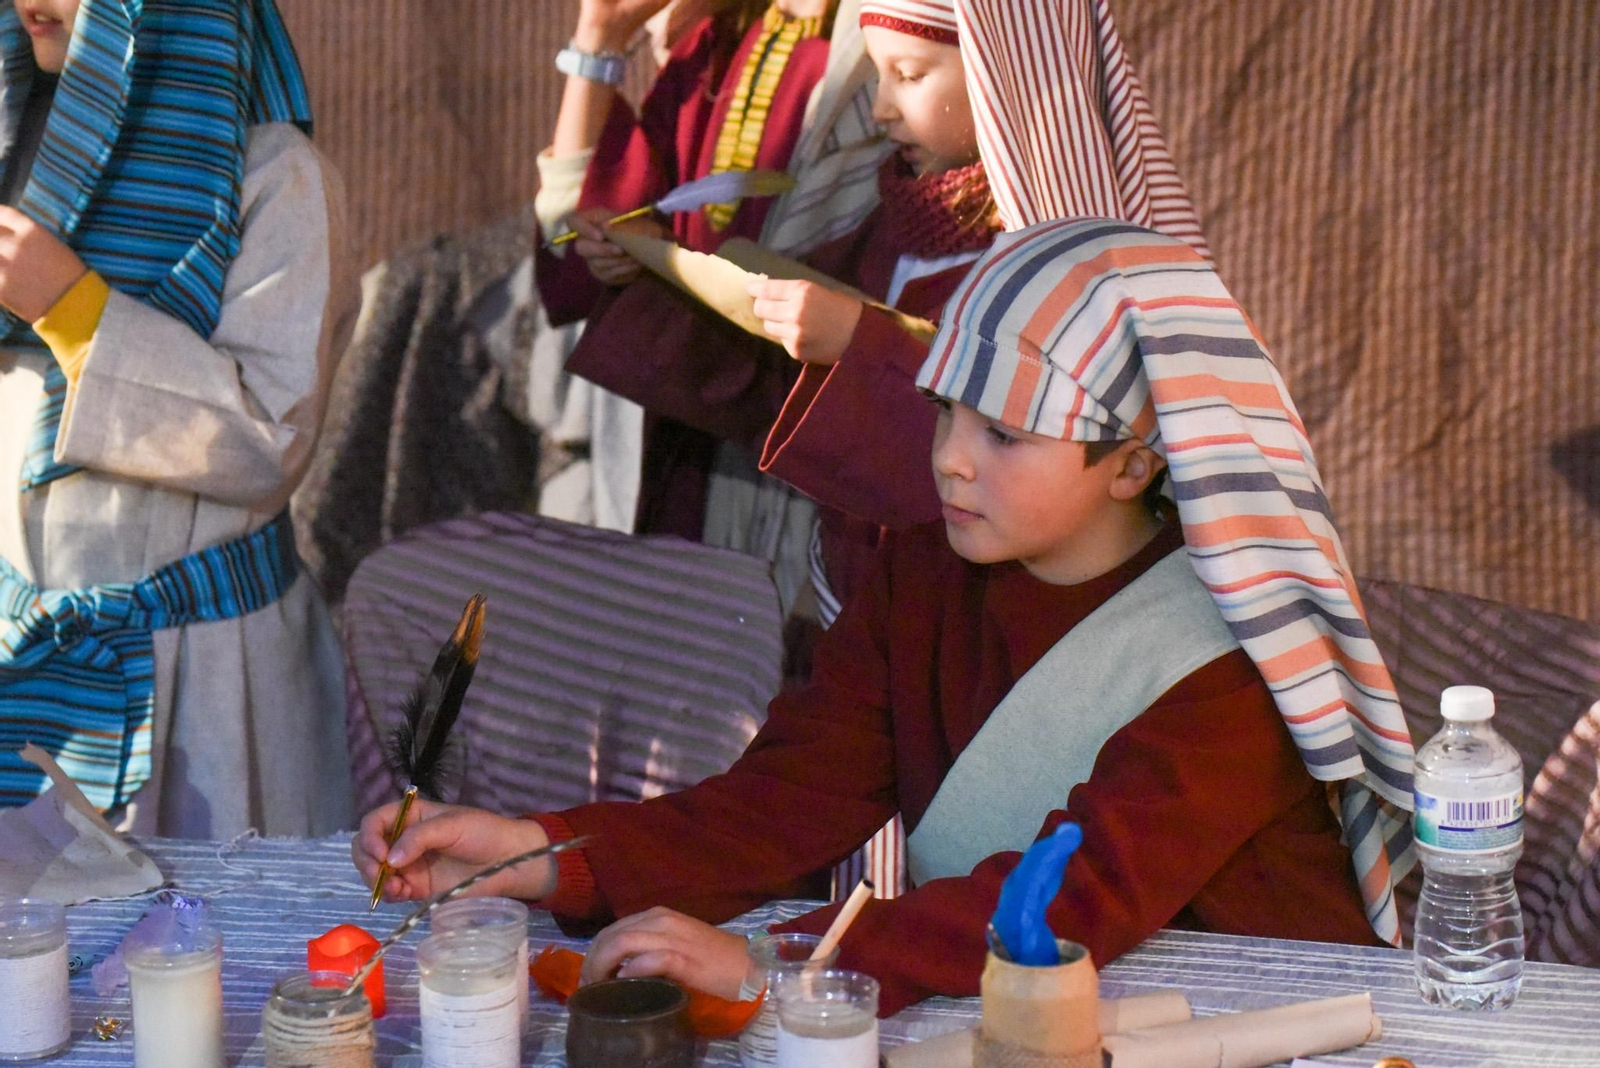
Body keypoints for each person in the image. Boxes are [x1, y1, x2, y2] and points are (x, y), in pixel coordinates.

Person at [352, 218, 1418, 1015]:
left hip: (1250, 1025)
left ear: (1134, 459)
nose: (949, 456)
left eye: (1003, 432)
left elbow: (1078, 899)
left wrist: (789, 964)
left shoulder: (1234, 658)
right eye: (944, 410)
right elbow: (779, 805)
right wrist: (538, 853)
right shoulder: (920, 579)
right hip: (1019, 1003)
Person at [0, 0, 354, 837]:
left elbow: (274, 435)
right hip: (28, 662)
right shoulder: (17, 152)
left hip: (205, 682)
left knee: (201, 944)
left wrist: (76, 311)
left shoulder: (278, 177)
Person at [535, 0, 887, 568]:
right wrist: (598, 34)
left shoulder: (881, 59)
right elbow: (569, 267)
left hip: (813, 480)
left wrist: (656, 276)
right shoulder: (719, 47)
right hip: (697, 462)